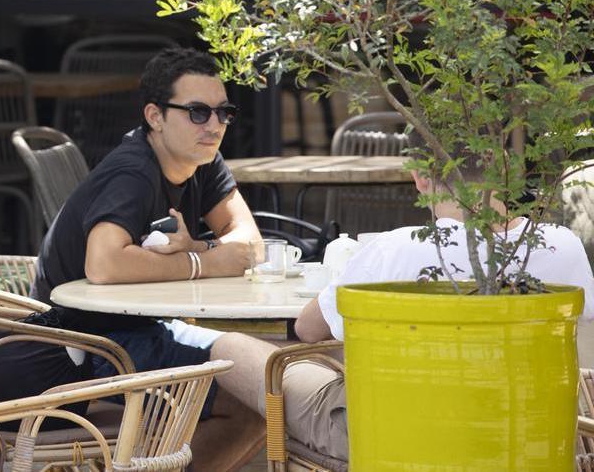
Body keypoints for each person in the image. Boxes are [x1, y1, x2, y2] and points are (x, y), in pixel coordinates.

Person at [209, 162, 594, 461]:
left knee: (229, 348)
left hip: (394, 438)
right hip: (532, 435)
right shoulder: (563, 245)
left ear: (421, 177)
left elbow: (308, 330)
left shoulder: (398, 248)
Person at [22, 47, 267, 469]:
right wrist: (201, 263)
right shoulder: (133, 171)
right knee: (253, 396)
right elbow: (104, 264)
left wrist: (200, 248)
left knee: (270, 370)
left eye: (223, 113)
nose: (213, 125)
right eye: (197, 112)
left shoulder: (201, 160)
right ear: (155, 116)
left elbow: (250, 244)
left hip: (141, 330)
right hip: (83, 350)